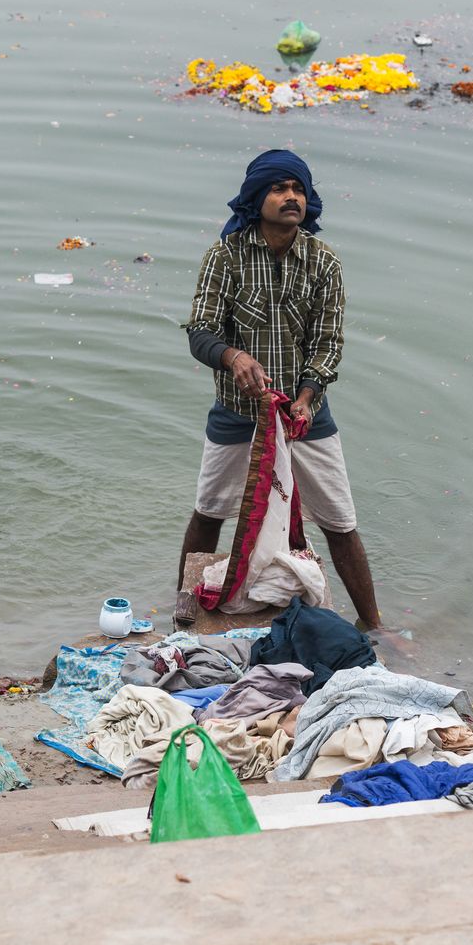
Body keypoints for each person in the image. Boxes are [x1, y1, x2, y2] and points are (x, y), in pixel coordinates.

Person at [180, 149, 384, 631]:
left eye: (298, 189)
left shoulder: (323, 262)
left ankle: (374, 626)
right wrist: (233, 357)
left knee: (339, 521)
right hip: (237, 412)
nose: (291, 197)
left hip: (306, 415)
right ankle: (185, 608)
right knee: (210, 512)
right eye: (279, 188)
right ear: (257, 198)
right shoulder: (225, 257)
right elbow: (201, 331)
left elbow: (328, 343)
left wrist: (307, 398)